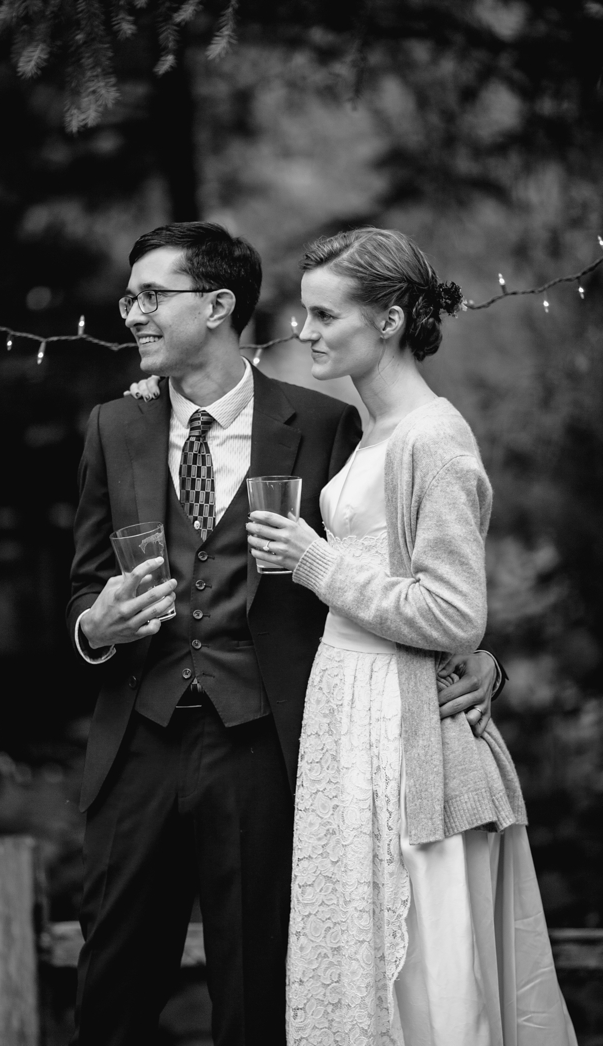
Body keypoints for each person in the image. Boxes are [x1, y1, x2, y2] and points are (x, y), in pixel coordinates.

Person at [66, 221, 502, 1046]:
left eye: (152, 295)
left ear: (219, 303)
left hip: (271, 747)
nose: (133, 314)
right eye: (130, 297)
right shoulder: (112, 428)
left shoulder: (332, 425)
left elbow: (409, 562)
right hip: (137, 747)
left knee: (262, 994)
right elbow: (83, 586)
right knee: (110, 994)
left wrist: (478, 656)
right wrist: (96, 623)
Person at [247, 227, 576, 1045]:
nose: (308, 332)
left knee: (419, 967)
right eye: (305, 315)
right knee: (348, 953)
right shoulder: (372, 435)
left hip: (400, 735)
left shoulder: (435, 437)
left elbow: (456, 614)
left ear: (390, 319)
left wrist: (318, 564)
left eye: (326, 315)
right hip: (344, 717)